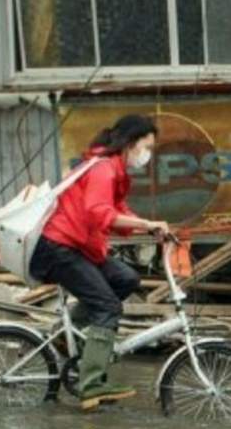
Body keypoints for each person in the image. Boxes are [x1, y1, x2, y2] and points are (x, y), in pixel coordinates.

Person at [29, 114, 168, 411]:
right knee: (107, 307)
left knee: (126, 279)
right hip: (59, 248)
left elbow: (117, 211)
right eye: (147, 147)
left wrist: (148, 227)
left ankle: (75, 335)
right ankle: (90, 384)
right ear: (130, 144)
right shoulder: (104, 169)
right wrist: (146, 221)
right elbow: (98, 212)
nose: (148, 155)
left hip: (79, 246)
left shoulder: (114, 170)